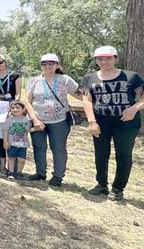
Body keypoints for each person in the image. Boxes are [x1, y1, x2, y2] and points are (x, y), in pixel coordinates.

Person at [82, 46, 144, 201]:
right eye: (100, 59)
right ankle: (101, 185)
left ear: (116, 58)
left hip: (126, 122)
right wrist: (91, 122)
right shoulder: (89, 78)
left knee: (123, 154)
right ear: (96, 60)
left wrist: (134, 108)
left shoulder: (131, 76)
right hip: (100, 121)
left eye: (108, 58)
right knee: (101, 154)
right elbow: (87, 101)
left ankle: (118, 189)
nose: (104, 61)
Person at [25, 53, 80, 186]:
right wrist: (34, 119)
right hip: (38, 120)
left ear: (57, 65)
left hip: (59, 121)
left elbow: (79, 94)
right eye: (44, 64)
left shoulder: (65, 80)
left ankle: (58, 176)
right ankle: (40, 172)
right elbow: (27, 101)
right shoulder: (34, 81)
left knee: (58, 148)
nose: (48, 66)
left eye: (51, 63)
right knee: (39, 146)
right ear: (41, 66)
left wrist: (95, 101)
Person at [3, 101, 31, 180]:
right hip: (12, 143)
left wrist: (36, 128)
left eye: (18, 108)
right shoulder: (9, 120)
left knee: (21, 159)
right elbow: (5, 130)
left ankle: (19, 172)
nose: (15, 109)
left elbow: (27, 130)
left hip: (23, 144)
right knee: (11, 158)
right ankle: (11, 172)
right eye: (13, 108)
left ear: (23, 109)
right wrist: (5, 141)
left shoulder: (26, 120)